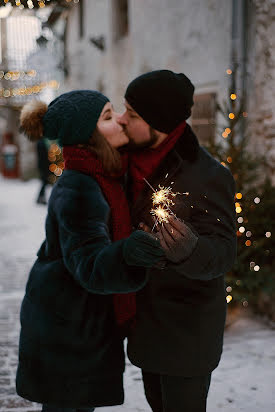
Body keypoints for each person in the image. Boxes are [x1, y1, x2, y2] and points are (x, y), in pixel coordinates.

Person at [16, 90, 164, 412]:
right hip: (68, 331)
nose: (121, 122)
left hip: (77, 324)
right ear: (89, 135)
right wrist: (131, 251)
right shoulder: (79, 186)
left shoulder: (104, 174)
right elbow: (89, 265)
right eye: (108, 117)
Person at [118, 70, 237, 412]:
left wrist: (190, 250)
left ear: (160, 123)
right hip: (147, 327)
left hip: (187, 335)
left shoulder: (209, 175)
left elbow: (224, 252)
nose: (123, 120)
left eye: (134, 114)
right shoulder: (128, 162)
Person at [36, 138, 50, 205]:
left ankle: (41, 197)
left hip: (43, 165)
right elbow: (43, 156)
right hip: (43, 165)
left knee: (44, 181)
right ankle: (40, 198)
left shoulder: (41, 142)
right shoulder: (41, 143)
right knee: (44, 181)